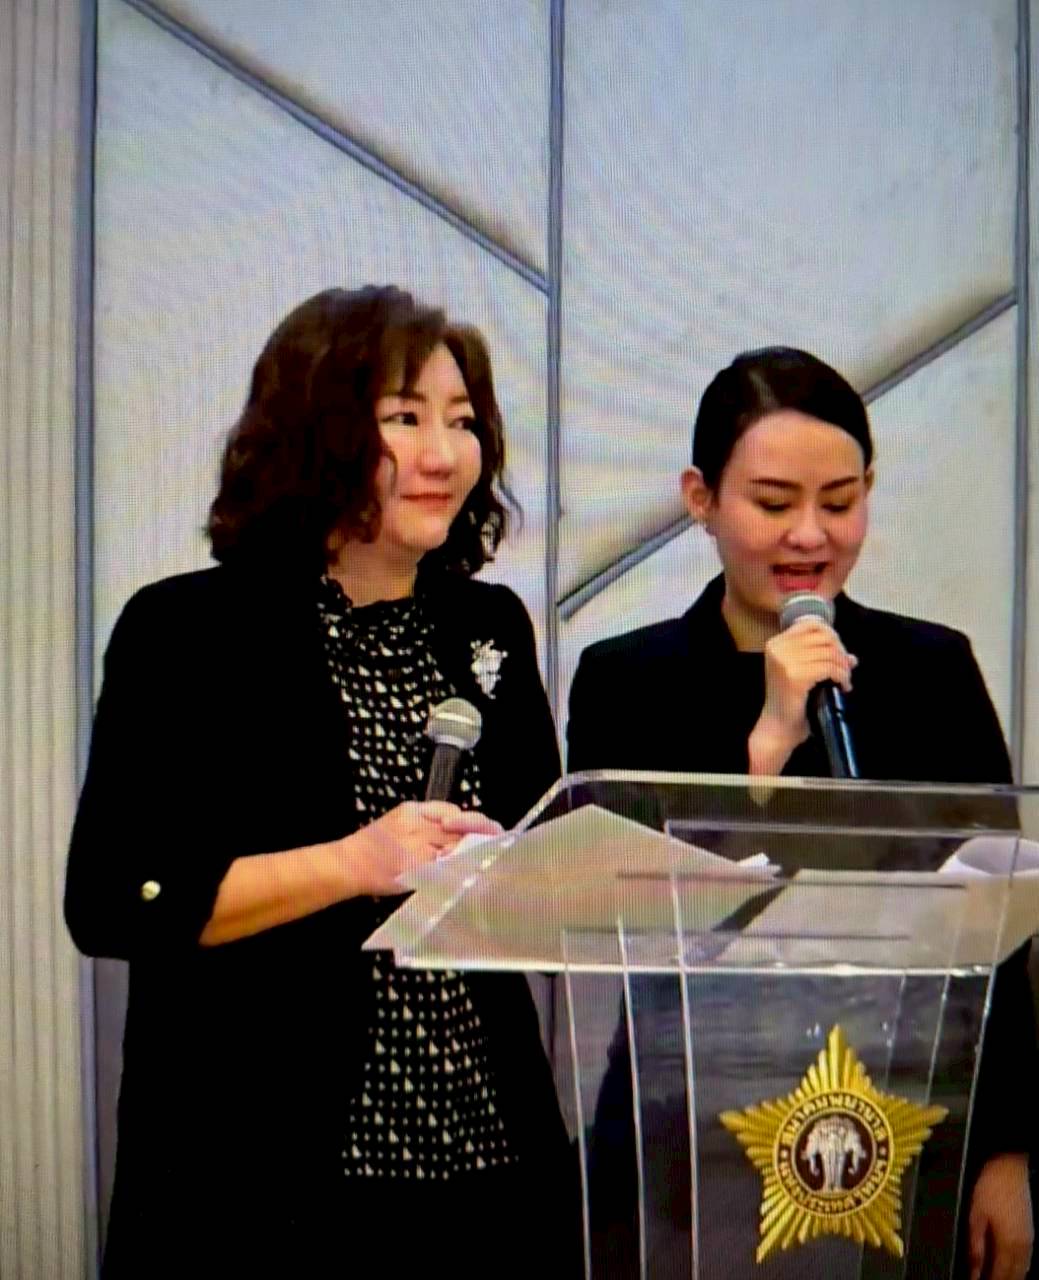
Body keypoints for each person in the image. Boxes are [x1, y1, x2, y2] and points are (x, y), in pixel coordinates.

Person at [65, 286, 578, 1278]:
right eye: (406, 418)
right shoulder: (187, 632)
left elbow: (534, 859)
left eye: (463, 421)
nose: (445, 453)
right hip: (266, 1173)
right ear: (317, 429)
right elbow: (112, 901)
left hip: (487, 1158)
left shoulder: (488, 627)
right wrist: (355, 863)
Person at [567, 347, 1036, 1280]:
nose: (810, 535)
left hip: (910, 1118)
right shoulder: (627, 680)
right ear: (700, 498)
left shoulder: (933, 670)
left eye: (840, 501)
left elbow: (996, 929)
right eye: (773, 503)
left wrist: (1009, 1148)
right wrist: (766, 749)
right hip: (683, 1133)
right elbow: (620, 918)